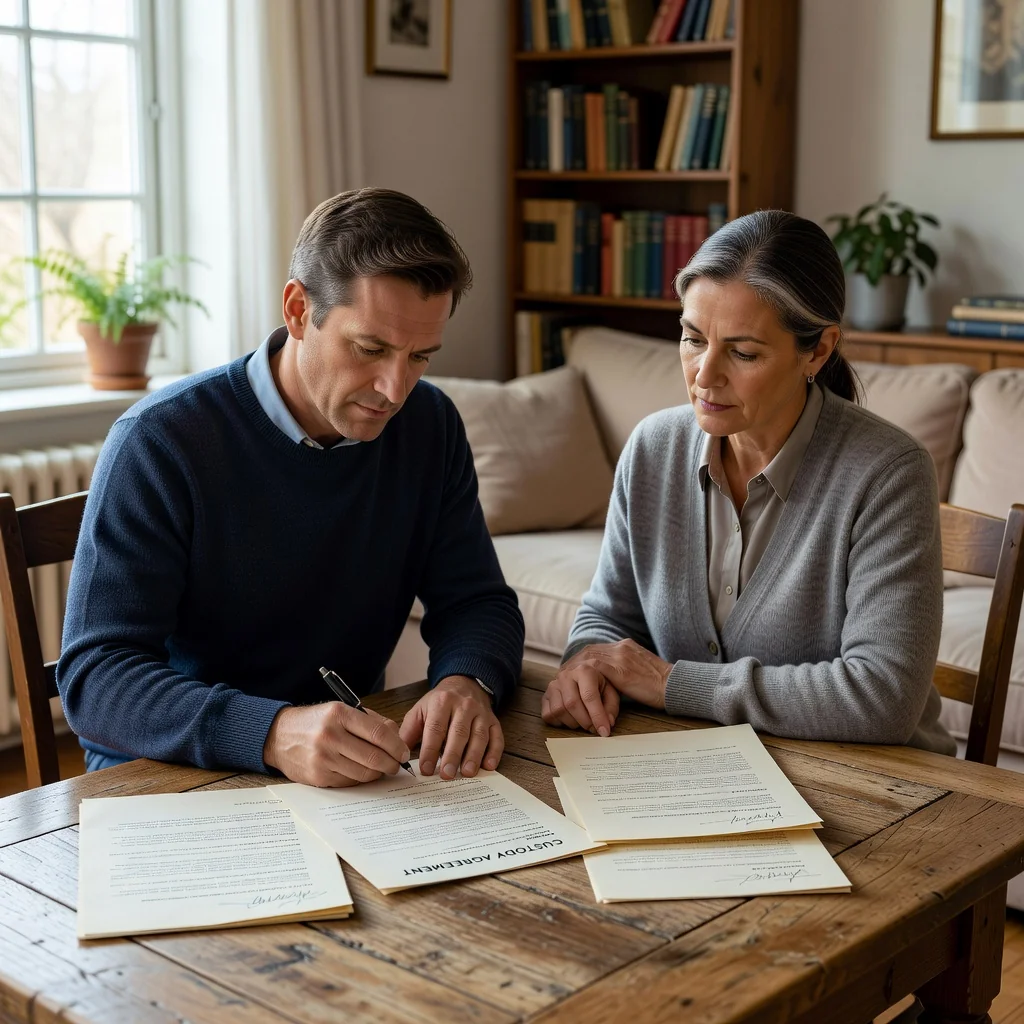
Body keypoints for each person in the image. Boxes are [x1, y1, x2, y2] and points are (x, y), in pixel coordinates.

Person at [58, 188, 526, 786]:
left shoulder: (429, 426)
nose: (395, 389)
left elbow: (477, 601)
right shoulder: (160, 441)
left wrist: (467, 681)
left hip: (347, 781)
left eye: (420, 357)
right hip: (170, 781)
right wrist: (272, 733)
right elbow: (97, 678)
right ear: (299, 310)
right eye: (371, 349)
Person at [541, 209, 954, 755]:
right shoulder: (651, 449)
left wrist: (672, 684)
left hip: (875, 780)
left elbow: (883, 697)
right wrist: (586, 668)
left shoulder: (888, 473)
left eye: (743, 353)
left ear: (818, 350)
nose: (705, 375)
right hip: (698, 768)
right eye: (693, 339)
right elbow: (607, 618)